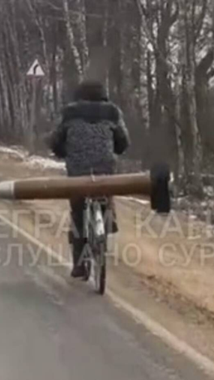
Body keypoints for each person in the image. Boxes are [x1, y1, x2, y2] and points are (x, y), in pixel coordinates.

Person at [47, 80, 130, 278]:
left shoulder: (69, 112)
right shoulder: (112, 112)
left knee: (77, 212)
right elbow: (123, 142)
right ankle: (107, 225)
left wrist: (62, 152)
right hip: (104, 168)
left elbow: (55, 139)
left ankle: (79, 264)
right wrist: (115, 148)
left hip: (77, 171)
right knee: (105, 196)